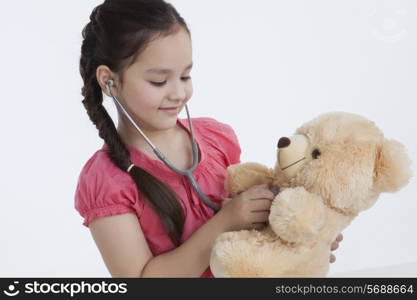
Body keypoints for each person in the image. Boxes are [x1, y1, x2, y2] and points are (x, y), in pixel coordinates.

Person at [75, 0, 343, 278]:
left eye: (185, 75)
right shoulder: (107, 182)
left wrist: (300, 232)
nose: (178, 92)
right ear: (109, 81)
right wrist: (224, 223)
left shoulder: (217, 140)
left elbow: (249, 224)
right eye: (159, 81)